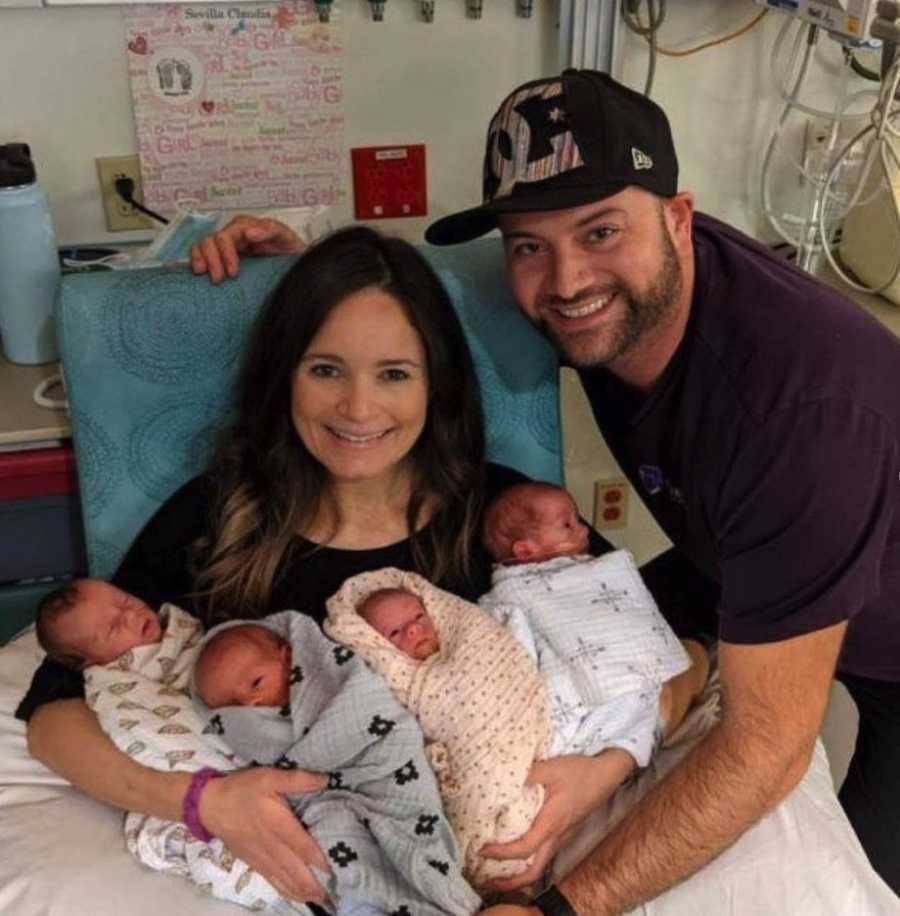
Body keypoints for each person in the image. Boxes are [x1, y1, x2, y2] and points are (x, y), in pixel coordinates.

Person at [184, 68, 900, 913]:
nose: (564, 281)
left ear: (680, 219)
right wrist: (303, 273)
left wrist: (557, 909)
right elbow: (411, 309)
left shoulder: (795, 411)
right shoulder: (598, 304)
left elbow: (767, 749)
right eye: (530, 244)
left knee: (858, 879)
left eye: (600, 231)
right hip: (743, 559)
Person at [17, 224, 611, 911]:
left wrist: (603, 770)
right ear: (285, 375)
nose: (358, 409)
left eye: (394, 373)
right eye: (326, 369)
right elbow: (52, 713)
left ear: (436, 385)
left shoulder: (508, 516)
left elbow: (652, 643)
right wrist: (202, 803)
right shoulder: (219, 512)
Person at [35, 577, 164, 670]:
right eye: (115, 627)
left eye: (126, 601)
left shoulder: (165, 618)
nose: (132, 615)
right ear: (91, 661)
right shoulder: (115, 683)